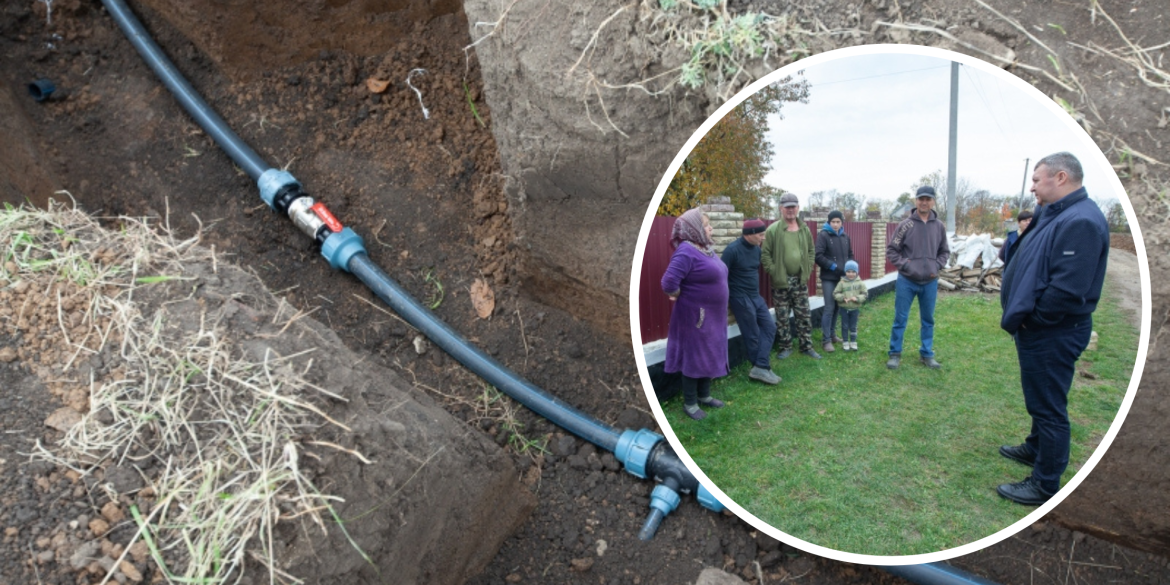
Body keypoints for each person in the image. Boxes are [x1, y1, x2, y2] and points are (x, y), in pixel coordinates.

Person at [996, 152, 1109, 506]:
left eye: (1036, 179)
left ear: (1061, 177)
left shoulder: (1082, 222)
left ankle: (1044, 484)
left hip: (1053, 332)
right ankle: (1035, 447)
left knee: (1048, 407)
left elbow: (1067, 290)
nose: (1032, 187)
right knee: (1040, 397)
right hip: (1041, 330)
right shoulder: (1054, 211)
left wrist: (1033, 320)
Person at [661, 208, 729, 421]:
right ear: (695, 229)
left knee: (708, 352)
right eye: (706, 225)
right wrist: (677, 294)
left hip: (713, 315)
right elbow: (668, 282)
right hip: (696, 316)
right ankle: (690, 403)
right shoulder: (686, 252)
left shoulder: (706, 249)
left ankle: (704, 396)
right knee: (694, 356)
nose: (710, 228)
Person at [885, 185, 949, 370]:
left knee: (928, 319)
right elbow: (892, 249)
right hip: (907, 281)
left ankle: (927, 354)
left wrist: (936, 265)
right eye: (921, 198)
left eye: (928, 199)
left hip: (929, 281)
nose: (924, 202)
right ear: (916, 201)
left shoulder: (939, 226)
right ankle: (895, 353)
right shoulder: (905, 225)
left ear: (933, 201)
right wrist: (906, 265)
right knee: (900, 318)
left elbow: (944, 251)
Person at [761, 193, 822, 360]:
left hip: (800, 280)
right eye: (787, 207)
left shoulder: (804, 229)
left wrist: (808, 268)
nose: (790, 210)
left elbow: (811, 251)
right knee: (782, 316)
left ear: (798, 208)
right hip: (781, 281)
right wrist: (775, 271)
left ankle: (806, 346)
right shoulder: (773, 230)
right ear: (781, 208)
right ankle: (785, 346)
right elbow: (765, 255)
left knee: (804, 315)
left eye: (793, 206)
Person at [722, 218, 782, 385]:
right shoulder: (732, 251)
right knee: (752, 334)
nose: (763, 238)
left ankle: (760, 367)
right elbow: (720, 276)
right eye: (761, 235)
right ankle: (762, 368)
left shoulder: (756, 249)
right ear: (750, 234)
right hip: (740, 298)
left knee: (770, 327)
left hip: (755, 296)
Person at [814, 209, 854, 353]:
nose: (836, 224)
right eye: (833, 222)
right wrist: (833, 266)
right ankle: (826, 341)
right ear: (829, 222)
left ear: (842, 223)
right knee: (829, 308)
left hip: (842, 278)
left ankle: (832, 334)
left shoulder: (845, 237)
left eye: (838, 222)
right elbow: (818, 256)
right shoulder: (823, 235)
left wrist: (851, 268)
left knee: (838, 307)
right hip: (829, 278)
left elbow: (850, 254)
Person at [832, 260, 867, 351]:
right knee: (844, 326)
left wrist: (858, 298)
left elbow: (865, 294)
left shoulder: (860, 283)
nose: (850, 274)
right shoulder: (842, 283)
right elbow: (835, 293)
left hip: (855, 309)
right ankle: (845, 342)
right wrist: (842, 298)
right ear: (845, 272)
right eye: (848, 271)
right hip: (844, 308)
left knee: (853, 326)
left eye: (853, 272)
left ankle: (853, 342)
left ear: (856, 272)